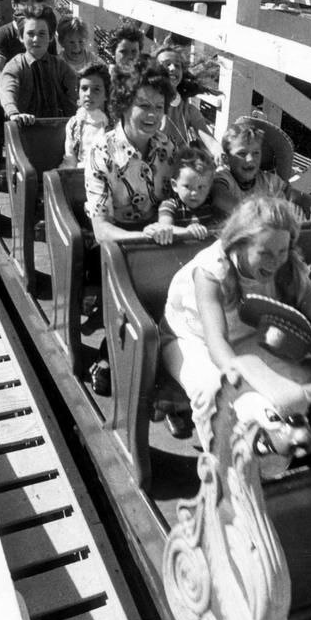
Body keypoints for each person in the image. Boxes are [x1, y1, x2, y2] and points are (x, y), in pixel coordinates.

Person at [160, 196, 311, 447]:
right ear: (238, 245)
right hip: (191, 338)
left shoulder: (288, 267)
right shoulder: (210, 271)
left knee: (297, 377)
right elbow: (216, 342)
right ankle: (226, 467)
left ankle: (279, 441)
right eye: (264, 252)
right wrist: (251, 381)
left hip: (246, 335)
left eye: (282, 251)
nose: (275, 261)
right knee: (213, 389)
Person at [84, 60, 177, 394]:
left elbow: (172, 199)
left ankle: (170, 367)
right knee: (138, 278)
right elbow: (100, 229)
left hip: (158, 236)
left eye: (159, 107)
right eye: (143, 105)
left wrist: (165, 223)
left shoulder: (166, 147)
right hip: (117, 242)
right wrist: (143, 240)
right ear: (123, 105)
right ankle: (110, 352)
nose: (152, 114)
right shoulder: (102, 152)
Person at [212, 121, 311, 226]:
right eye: (242, 153)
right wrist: (256, 214)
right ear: (227, 157)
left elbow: (298, 197)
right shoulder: (224, 177)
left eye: (256, 153)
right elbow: (220, 197)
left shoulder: (267, 180)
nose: (250, 159)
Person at [0, 5, 77, 125]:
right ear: (21, 37)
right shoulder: (16, 65)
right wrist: (14, 113)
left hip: (57, 130)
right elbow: (8, 90)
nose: (36, 39)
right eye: (30, 34)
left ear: (50, 37)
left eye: (42, 34)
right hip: (24, 129)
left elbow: (74, 94)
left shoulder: (60, 66)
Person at [154, 43, 224, 166]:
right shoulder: (147, 105)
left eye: (177, 65)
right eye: (166, 64)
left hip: (179, 171)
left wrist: (219, 152)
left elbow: (210, 141)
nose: (172, 68)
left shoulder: (189, 110)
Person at [0, 0, 55, 83]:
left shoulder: (45, 34)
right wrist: (8, 88)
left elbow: (54, 68)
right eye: (26, 5)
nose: (31, 10)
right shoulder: (3, 35)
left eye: (35, 6)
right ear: (14, 5)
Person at [144, 145, 217, 244]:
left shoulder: (211, 204)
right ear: (174, 185)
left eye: (201, 187)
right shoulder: (170, 205)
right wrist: (187, 232)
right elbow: (164, 228)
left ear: (209, 187)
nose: (194, 193)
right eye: (187, 186)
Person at [60, 63, 111, 170]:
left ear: (106, 94)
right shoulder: (74, 123)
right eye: (84, 88)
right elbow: (70, 160)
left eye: (96, 89)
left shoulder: (114, 123)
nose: (88, 94)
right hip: (80, 177)